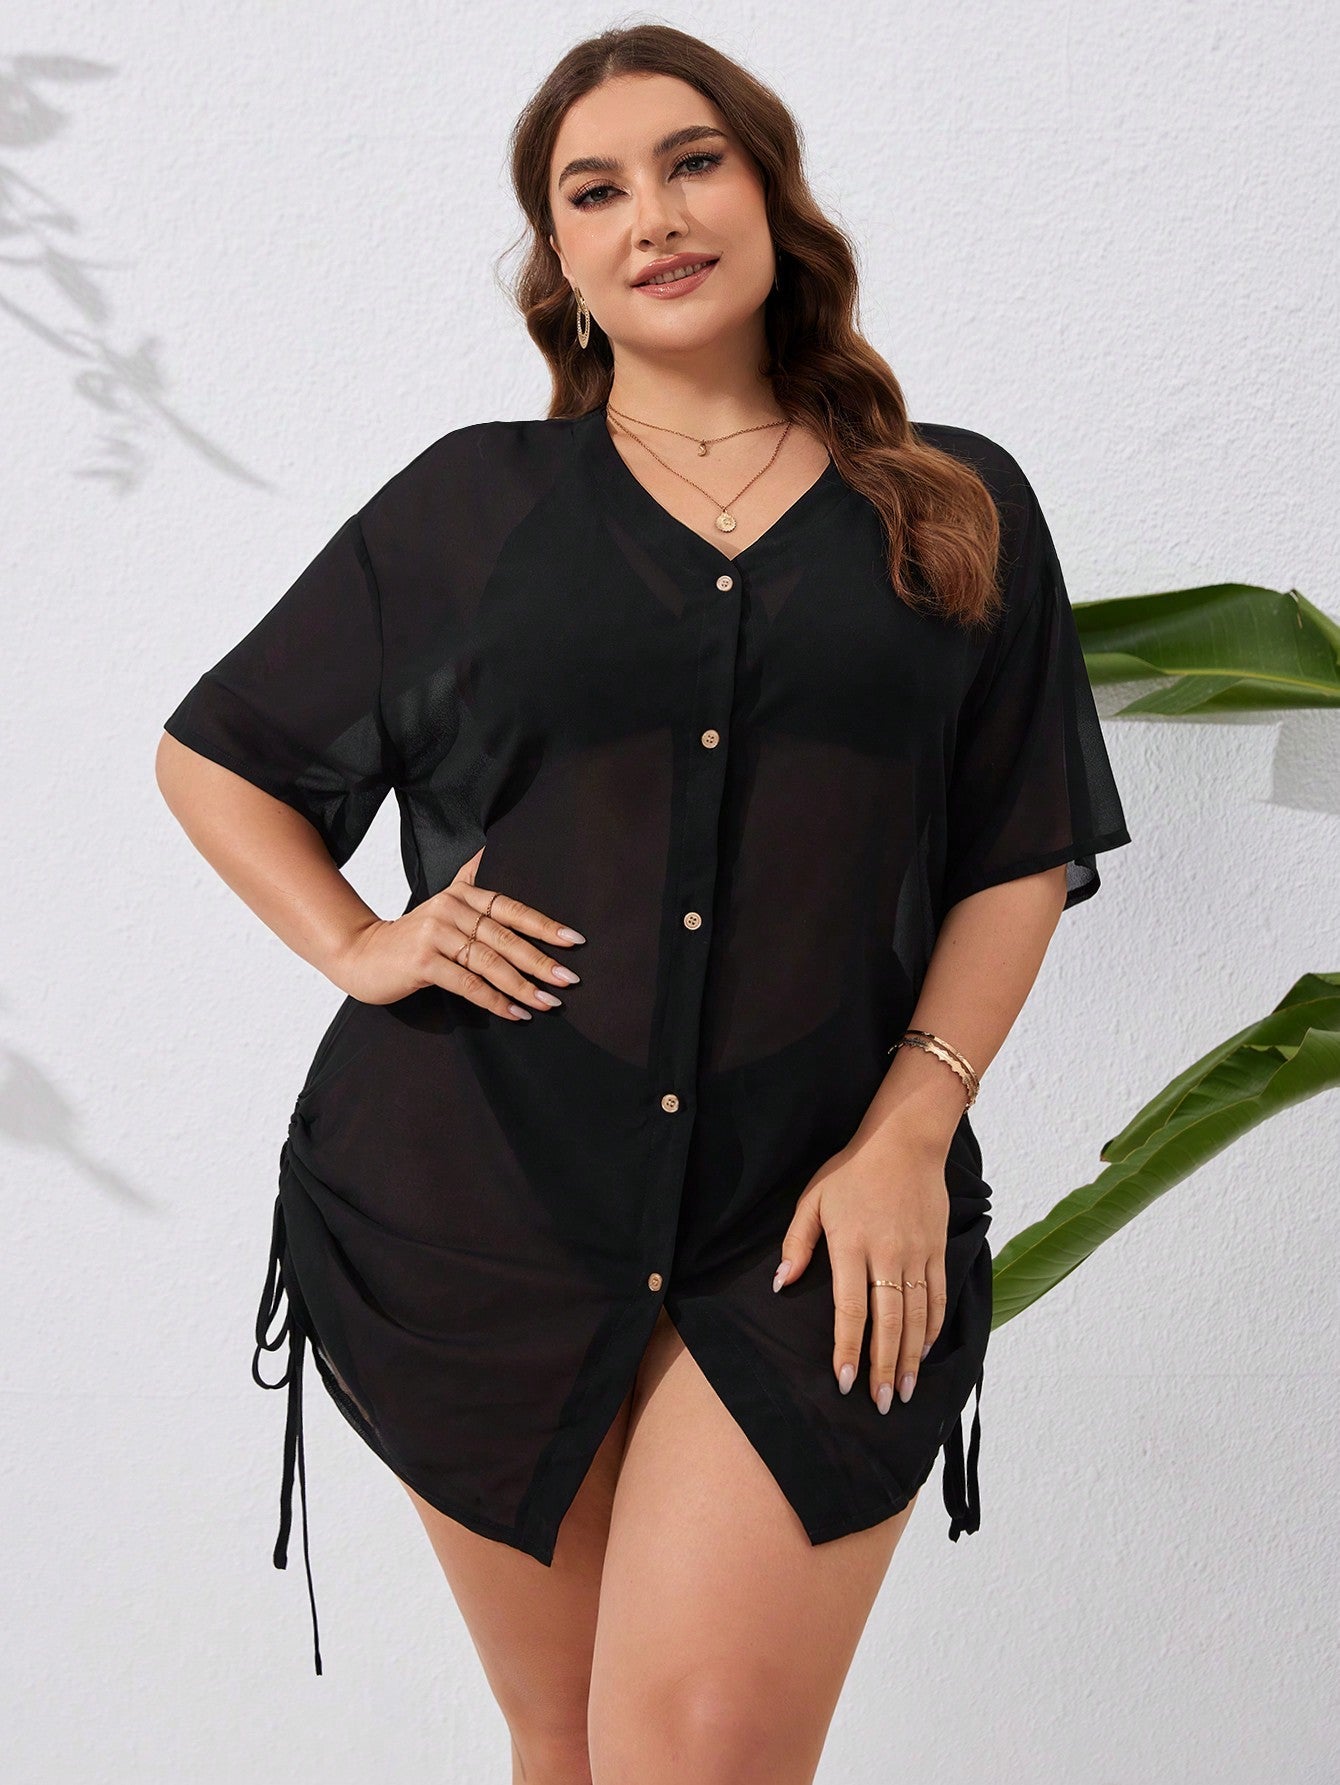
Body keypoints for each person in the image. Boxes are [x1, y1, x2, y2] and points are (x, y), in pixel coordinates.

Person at [156, 24, 1131, 1785]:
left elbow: (1014, 844)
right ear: (561, 261)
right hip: (479, 1194)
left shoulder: (950, 501)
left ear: (770, 192)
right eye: (594, 192)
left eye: (693, 163)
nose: (654, 216)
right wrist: (360, 944)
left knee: (700, 1750)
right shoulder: (476, 506)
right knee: (566, 1741)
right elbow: (218, 756)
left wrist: (914, 1130)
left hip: (819, 1218)